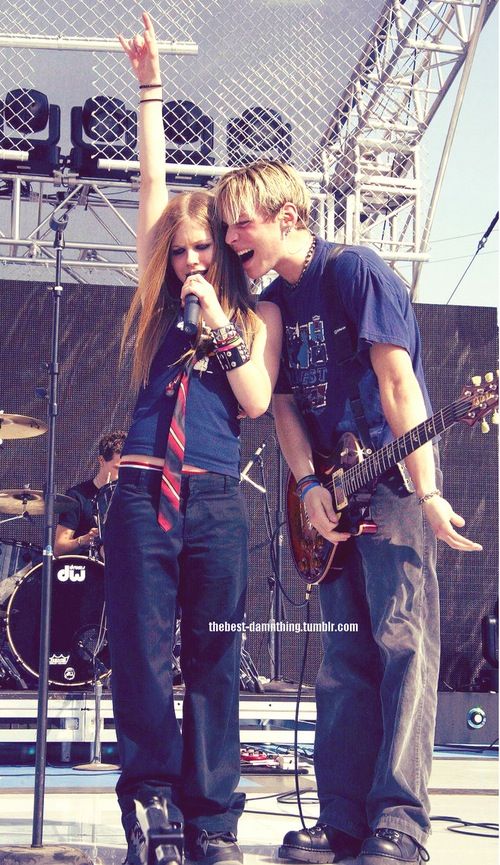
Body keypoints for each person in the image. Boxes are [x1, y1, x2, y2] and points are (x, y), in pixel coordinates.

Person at [214, 160, 482, 865]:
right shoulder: (272, 302)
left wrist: (425, 491)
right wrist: (307, 488)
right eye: (227, 222)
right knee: (342, 659)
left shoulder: (355, 271)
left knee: (403, 647)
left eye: (245, 220)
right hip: (331, 494)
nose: (232, 234)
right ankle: (342, 823)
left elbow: (399, 385)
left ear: (289, 217)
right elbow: (283, 408)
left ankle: (399, 824)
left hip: (391, 486)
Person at [104, 13, 281, 865]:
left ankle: (212, 823)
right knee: (140, 656)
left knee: (215, 658)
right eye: (180, 253)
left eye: (204, 249)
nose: (191, 263)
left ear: (226, 252)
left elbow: (253, 399)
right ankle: (152, 812)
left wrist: (220, 321)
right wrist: (149, 90)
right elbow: (151, 186)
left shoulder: (252, 314)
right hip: (141, 492)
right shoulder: (155, 303)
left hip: (212, 500)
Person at [54, 430, 125, 557]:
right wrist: (85, 539)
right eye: (118, 468)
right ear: (101, 460)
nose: (123, 474)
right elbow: (59, 548)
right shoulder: (77, 496)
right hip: (85, 568)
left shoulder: (129, 496)